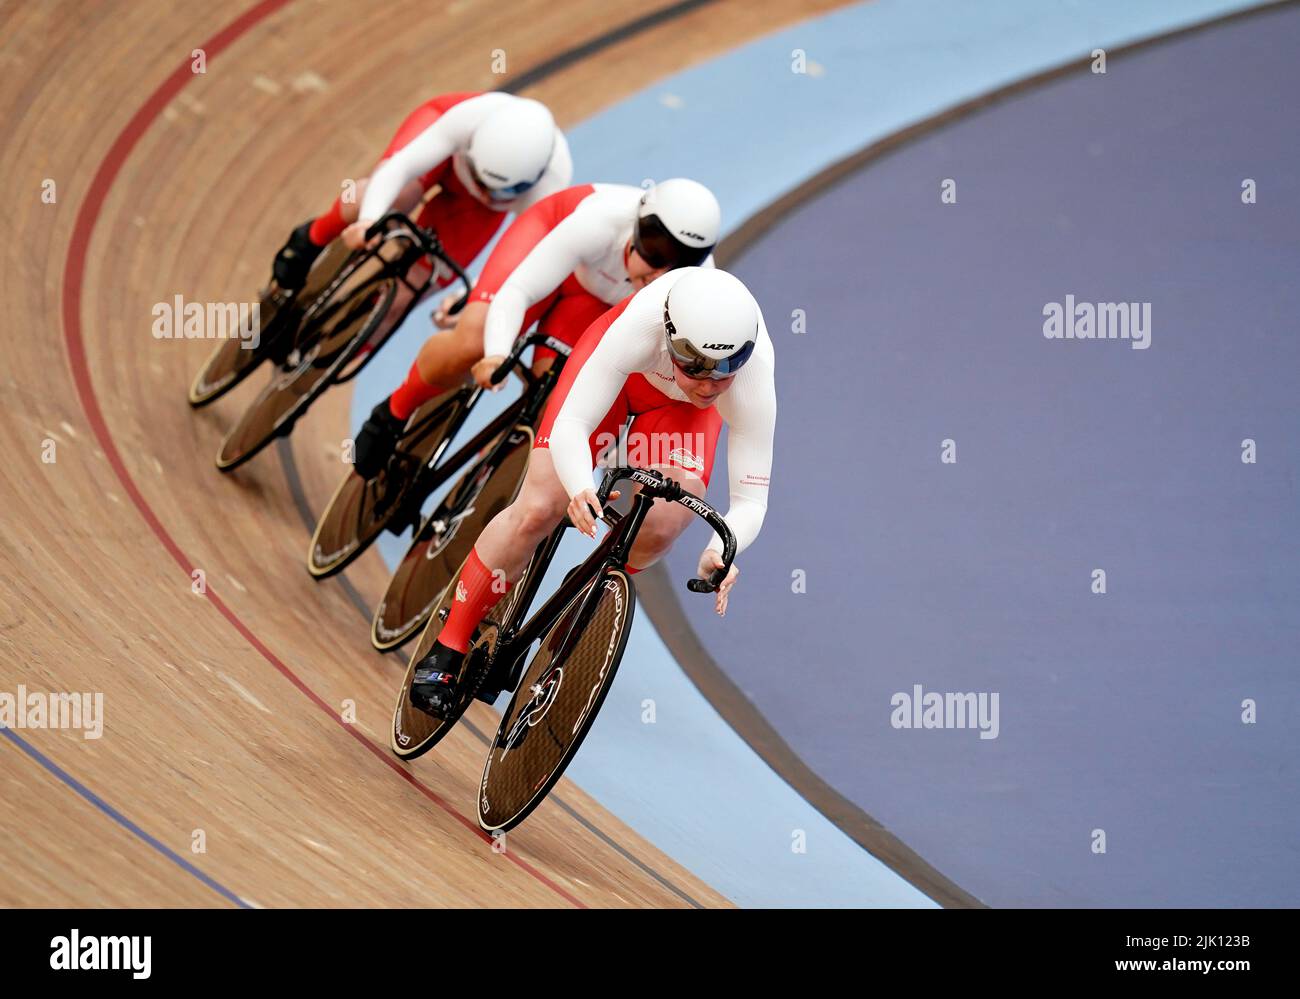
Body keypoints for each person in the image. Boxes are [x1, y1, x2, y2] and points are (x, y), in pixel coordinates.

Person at [406, 267, 776, 717]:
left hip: (680, 416)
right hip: (617, 375)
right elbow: (573, 426)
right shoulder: (639, 328)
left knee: (662, 524)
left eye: (725, 372)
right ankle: (449, 644)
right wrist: (581, 486)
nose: (708, 384)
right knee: (541, 505)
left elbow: (751, 500)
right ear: (670, 340)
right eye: (694, 366)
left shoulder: (753, 377)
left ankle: (581, 593)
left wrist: (720, 549)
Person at [351, 178, 723, 479]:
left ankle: (479, 485)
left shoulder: (693, 290)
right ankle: (392, 413)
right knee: (475, 340)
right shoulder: (600, 223)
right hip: (553, 245)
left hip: (595, 307)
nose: (658, 274)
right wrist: (497, 352)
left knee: (556, 413)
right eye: (655, 252)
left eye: (675, 266)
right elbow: (520, 289)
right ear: (637, 230)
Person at [269, 91, 571, 296]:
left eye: (505, 190)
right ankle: (312, 238)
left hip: (479, 211)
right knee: (375, 199)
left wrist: (471, 296)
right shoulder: (468, 117)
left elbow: (526, 260)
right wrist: (369, 220)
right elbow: (400, 167)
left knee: (414, 287)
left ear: (535, 179)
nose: (486, 191)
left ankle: (335, 350)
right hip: (443, 154)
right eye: (481, 179)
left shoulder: (551, 186)